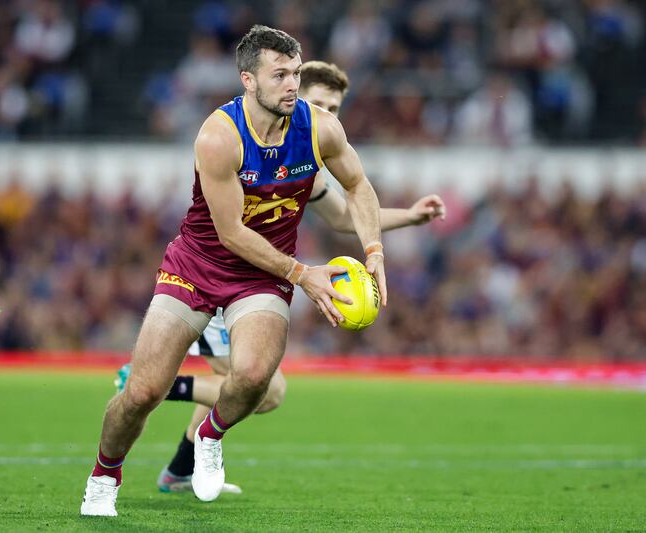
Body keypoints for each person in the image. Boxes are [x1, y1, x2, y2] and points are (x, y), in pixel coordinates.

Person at [81, 25, 389, 517]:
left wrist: (373, 248)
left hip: (260, 277)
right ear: (248, 79)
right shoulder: (218, 136)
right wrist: (301, 272)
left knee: (253, 378)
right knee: (141, 392)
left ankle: (209, 433)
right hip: (198, 265)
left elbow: (358, 187)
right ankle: (105, 474)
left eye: (296, 72)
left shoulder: (321, 128)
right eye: (281, 75)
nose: (293, 84)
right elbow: (230, 234)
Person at [115, 60, 447, 495]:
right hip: (213, 275)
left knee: (243, 384)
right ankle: (151, 387)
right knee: (266, 392)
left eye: (336, 107)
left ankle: (179, 470)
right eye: (320, 102)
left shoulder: (309, 157)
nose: (328, 114)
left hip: (254, 284)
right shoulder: (240, 139)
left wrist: (411, 217)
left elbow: (347, 216)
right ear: (286, 93)